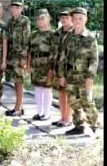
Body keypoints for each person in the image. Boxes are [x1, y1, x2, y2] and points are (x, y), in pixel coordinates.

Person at [58, 7, 99, 135]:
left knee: (86, 100)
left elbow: (94, 60)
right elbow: (62, 57)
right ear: (72, 20)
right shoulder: (68, 37)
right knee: (73, 101)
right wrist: (61, 75)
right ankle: (79, 126)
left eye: (80, 18)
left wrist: (90, 78)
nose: (77, 21)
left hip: (84, 75)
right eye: (75, 19)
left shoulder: (90, 38)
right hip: (70, 75)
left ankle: (94, 125)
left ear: (85, 20)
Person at [27, 9, 56, 121]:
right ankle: (39, 112)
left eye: (43, 18)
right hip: (36, 64)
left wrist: (52, 68)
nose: (40, 21)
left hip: (47, 64)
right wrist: (28, 65)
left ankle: (47, 113)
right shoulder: (33, 35)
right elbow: (30, 51)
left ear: (49, 19)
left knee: (47, 88)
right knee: (38, 88)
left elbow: (55, 52)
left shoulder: (53, 34)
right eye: (38, 19)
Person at [5, 0, 31, 116]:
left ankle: (18, 108)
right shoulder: (10, 22)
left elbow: (26, 40)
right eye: (13, 7)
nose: (15, 9)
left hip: (19, 55)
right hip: (11, 55)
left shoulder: (25, 21)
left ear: (21, 8)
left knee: (19, 82)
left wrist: (24, 57)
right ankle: (20, 106)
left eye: (18, 7)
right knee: (15, 82)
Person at [52, 9, 74, 127]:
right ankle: (62, 117)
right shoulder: (57, 33)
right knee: (61, 92)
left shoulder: (75, 33)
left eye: (66, 17)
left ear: (71, 19)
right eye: (62, 17)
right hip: (58, 67)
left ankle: (68, 118)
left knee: (68, 92)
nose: (64, 19)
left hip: (69, 67)